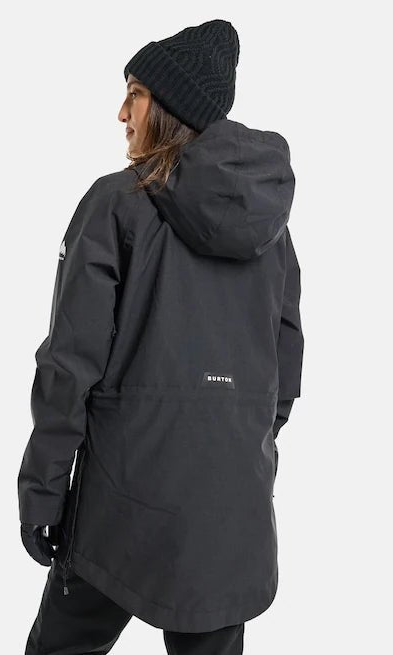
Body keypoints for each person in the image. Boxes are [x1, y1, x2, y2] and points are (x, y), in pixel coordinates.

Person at [17, 18, 304, 655]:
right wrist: (232, 447)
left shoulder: (115, 204)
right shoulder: (272, 231)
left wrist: (42, 492)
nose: (122, 113)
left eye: (136, 94)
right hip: (230, 519)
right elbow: (285, 371)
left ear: (171, 107)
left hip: (120, 513)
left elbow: (68, 366)